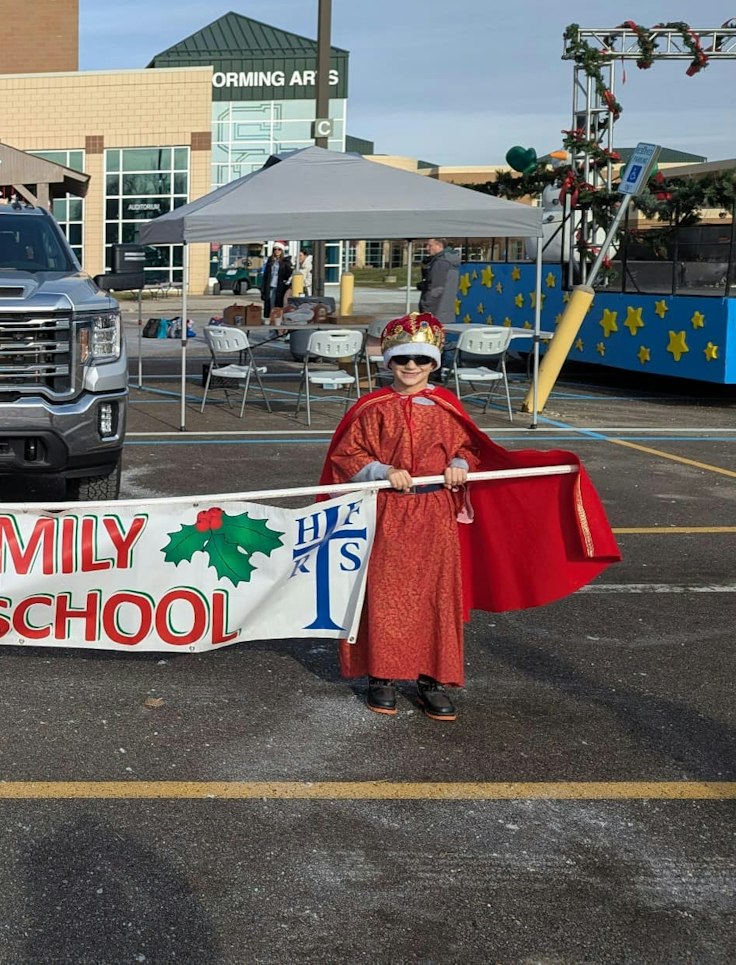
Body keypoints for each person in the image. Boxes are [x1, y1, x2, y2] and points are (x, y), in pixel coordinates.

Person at [321, 312, 619, 721]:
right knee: (385, 593)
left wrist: (461, 462)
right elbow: (346, 454)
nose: (412, 367)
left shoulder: (447, 406)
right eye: (403, 358)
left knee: (437, 595)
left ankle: (432, 678)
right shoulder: (371, 408)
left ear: (433, 364)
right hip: (387, 511)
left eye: (421, 360)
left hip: (435, 514)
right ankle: (383, 676)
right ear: (388, 361)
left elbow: (473, 448)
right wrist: (384, 472)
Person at [417, 238, 461, 322]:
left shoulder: (440, 262)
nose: (427, 248)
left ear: (439, 246)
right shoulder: (451, 262)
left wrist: (425, 305)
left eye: (430, 245)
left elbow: (436, 288)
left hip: (435, 312)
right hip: (447, 310)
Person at [260, 243, 293, 318]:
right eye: (275, 249)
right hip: (270, 285)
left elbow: (289, 274)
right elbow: (266, 275)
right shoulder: (270, 260)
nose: (277, 251)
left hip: (280, 286)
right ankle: (271, 318)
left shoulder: (285, 261)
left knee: (278, 304)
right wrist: (262, 290)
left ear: (282, 251)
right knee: (270, 302)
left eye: (279, 249)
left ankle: (276, 318)